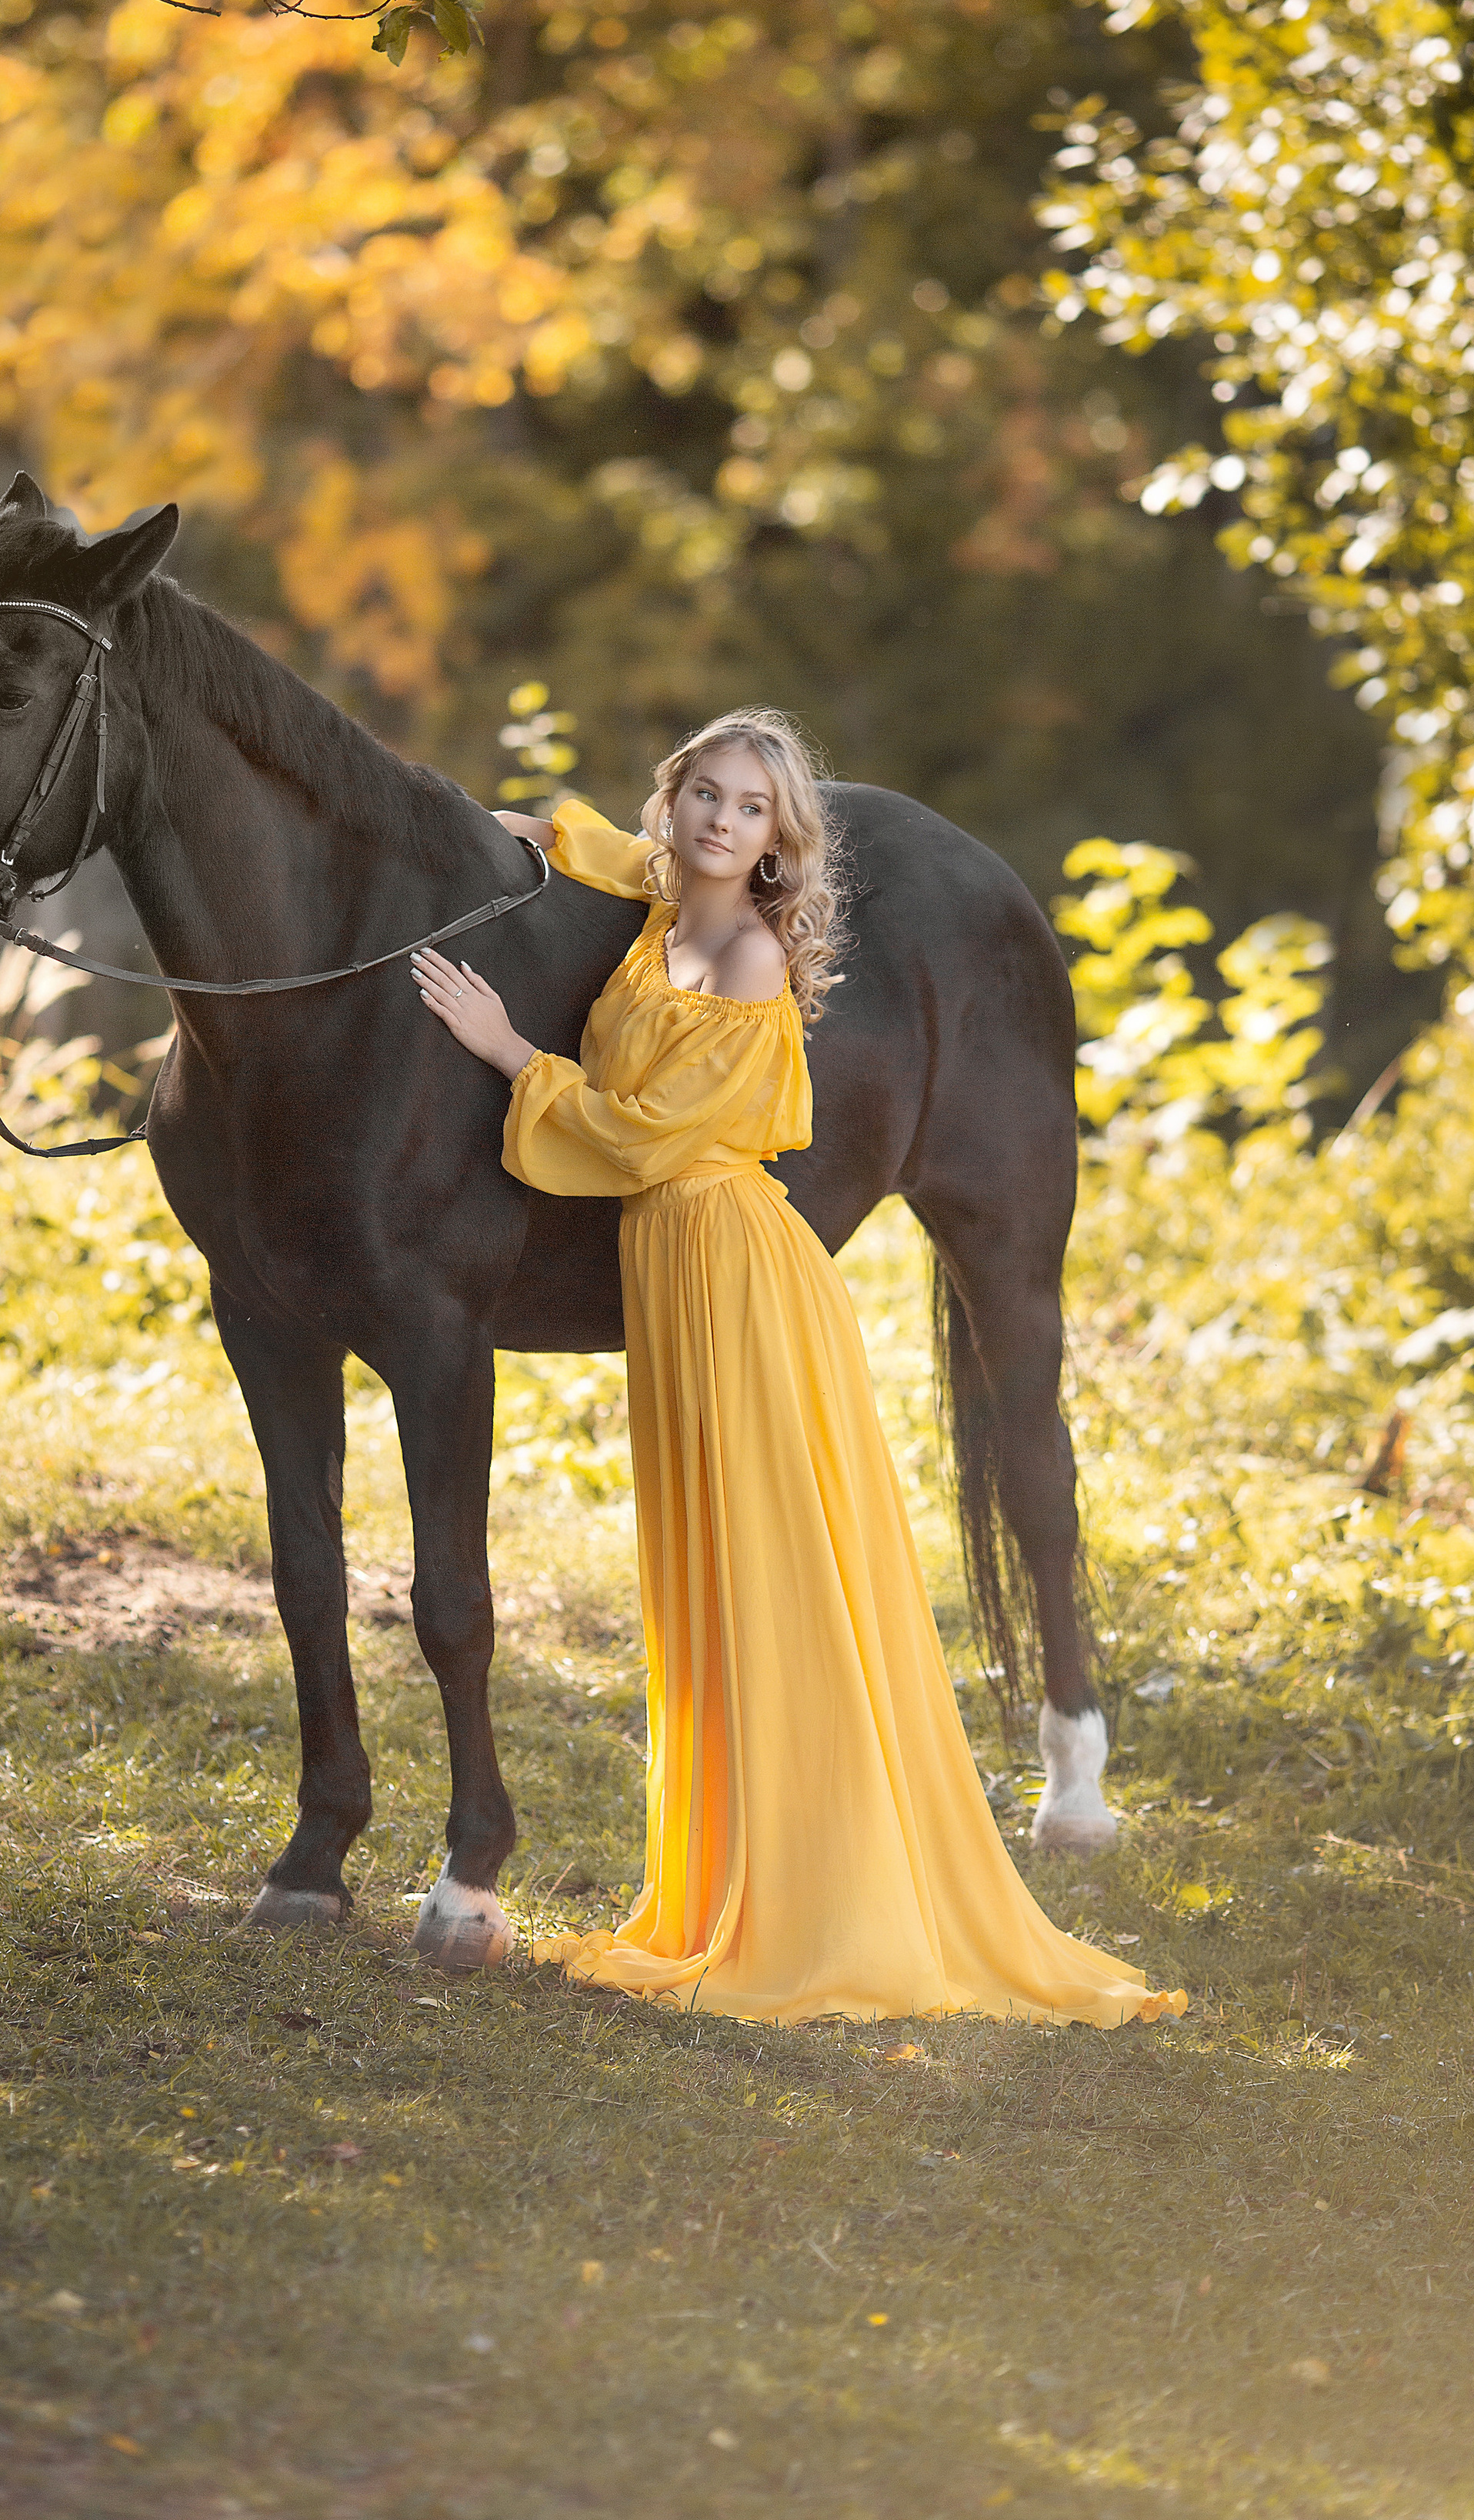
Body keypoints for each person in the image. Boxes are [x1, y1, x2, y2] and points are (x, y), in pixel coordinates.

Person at [411, 709, 1183, 2029]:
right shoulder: (668, 904)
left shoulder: (754, 957)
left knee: (774, 1577)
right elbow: (611, 854)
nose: (720, 822)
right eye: (704, 795)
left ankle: (826, 1904)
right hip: (677, 1272)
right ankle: (736, 1882)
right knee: (708, 1579)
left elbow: (641, 1138)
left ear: (780, 839)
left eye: (750, 809)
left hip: (732, 1271)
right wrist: (523, 827)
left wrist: (503, 1051)